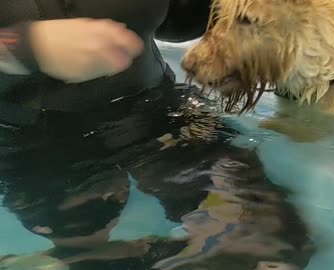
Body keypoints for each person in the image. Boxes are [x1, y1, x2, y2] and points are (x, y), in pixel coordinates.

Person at [0, 1, 316, 270]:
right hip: (26, 139)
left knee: (273, 244)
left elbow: (181, 22)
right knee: (82, 241)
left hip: (155, 113)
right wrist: (23, 45)